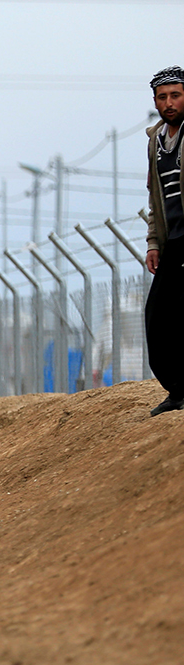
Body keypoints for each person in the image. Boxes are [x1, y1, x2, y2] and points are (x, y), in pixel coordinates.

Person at [145, 66, 184, 416]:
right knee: (158, 317)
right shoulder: (156, 141)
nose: (169, 103)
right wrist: (154, 242)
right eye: (163, 97)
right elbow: (155, 197)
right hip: (174, 241)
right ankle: (177, 389)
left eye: (176, 95)